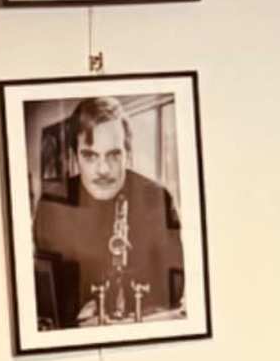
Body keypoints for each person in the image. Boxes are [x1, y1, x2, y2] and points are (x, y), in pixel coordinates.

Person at [31, 97, 184, 325]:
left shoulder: (159, 199)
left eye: (114, 155)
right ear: (75, 156)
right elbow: (42, 296)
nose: (103, 169)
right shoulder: (51, 205)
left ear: (128, 153)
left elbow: (174, 293)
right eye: (90, 156)